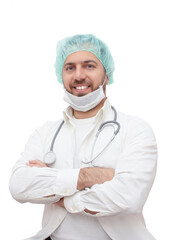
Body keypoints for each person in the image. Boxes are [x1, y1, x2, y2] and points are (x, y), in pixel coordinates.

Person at [9, 34, 157, 240]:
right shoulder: (45, 133)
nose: (78, 76)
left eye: (89, 66)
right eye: (70, 68)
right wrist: (92, 176)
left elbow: (129, 197)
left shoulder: (135, 129)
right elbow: (18, 185)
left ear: (106, 74)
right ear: (61, 74)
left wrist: (60, 193)